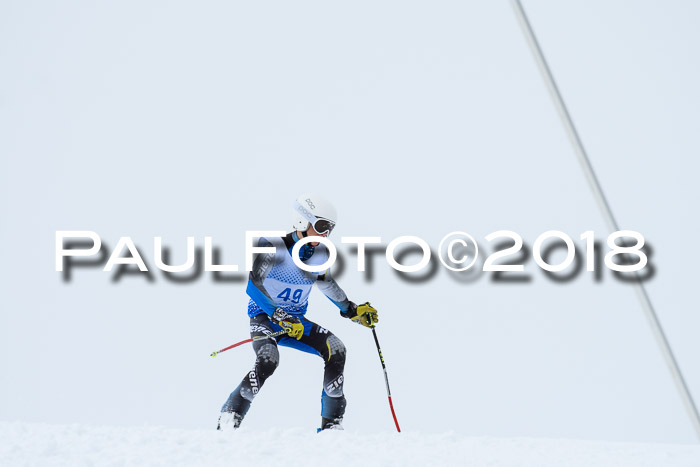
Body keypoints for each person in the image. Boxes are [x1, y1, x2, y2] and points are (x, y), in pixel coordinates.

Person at [218, 193, 379, 432]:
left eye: (329, 229)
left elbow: (326, 284)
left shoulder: (321, 254)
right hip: (265, 318)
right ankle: (230, 417)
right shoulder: (271, 245)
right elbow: (253, 286)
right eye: (321, 226)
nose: (324, 235)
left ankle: (331, 426)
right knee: (268, 360)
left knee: (336, 349)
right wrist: (279, 315)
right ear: (303, 221)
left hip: (297, 323)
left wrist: (351, 310)